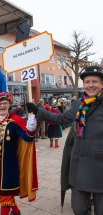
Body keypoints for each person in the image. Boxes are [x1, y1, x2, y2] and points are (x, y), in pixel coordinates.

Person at [26, 66, 103, 214]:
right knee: (79, 209)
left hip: (100, 167)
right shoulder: (78, 104)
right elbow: (60, 119)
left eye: (95, 81)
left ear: (101, 84)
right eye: (87, 82)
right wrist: (37, 111)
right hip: (80, 168)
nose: (91, 85)